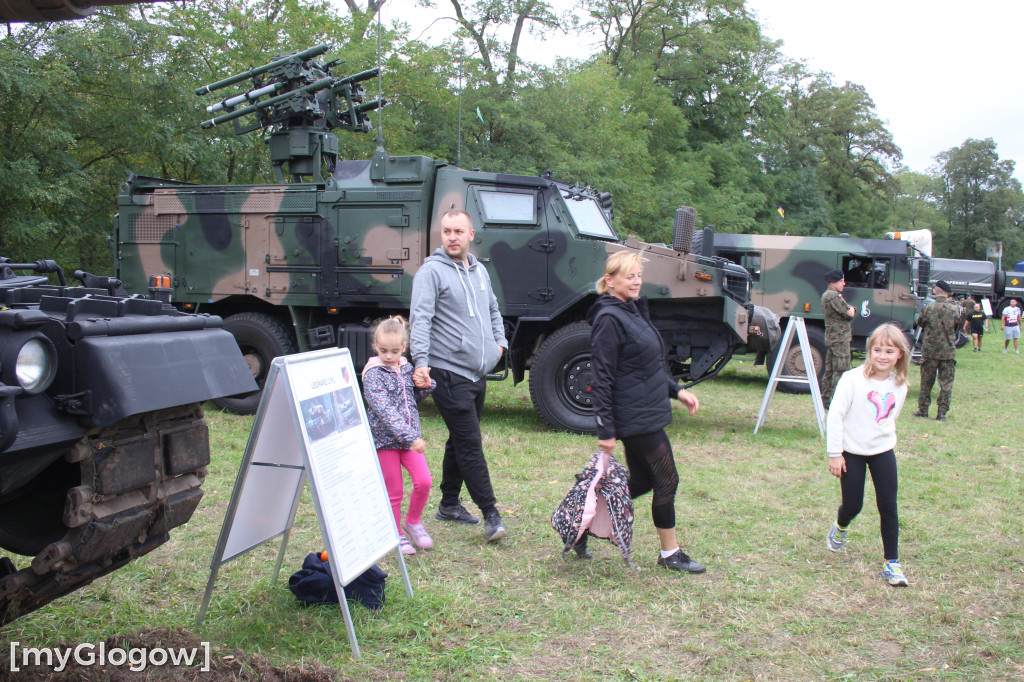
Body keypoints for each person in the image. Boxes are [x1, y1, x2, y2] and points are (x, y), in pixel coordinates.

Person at [587, 250, 705, 574]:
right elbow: (601, 377)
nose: (636, 281)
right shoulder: (609, 318)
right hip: (633, 417)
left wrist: (678, 391)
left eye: (639, 275)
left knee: (639, 481)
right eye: (629, 276)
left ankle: (582, 521)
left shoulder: (632, 310)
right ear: (609, 280)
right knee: (667, 480)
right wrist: (606, 430)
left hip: (646, 410)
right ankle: (670, 554)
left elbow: (648, 365)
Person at [410, 209, 509, 542]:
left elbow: (493, 309)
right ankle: (491, 514)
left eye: (458, 231)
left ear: (471, 235)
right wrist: (421, 361)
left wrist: (500, 345)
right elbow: (420, 319)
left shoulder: (480, 270)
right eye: (446, 231)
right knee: (470, 444)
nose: (452, 236)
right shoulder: (431, 273)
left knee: (459, 438)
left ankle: (449, 503)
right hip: (447, 372)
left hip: (477, 372)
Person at [825, 323, 911, 587]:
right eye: (877, 350)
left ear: (899, 355)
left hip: (882, 451)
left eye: (889, 351)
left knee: (888, 506)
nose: (882, 356)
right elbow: (836, 416)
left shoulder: (900, 385)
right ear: (869, 351)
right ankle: (840, 527)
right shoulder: (852, 379)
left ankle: (892, 562)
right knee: (853, 505)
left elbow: (889, 418)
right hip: (852, 453)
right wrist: (835, 453)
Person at [362, 316, 435, 555]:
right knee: (394, 491)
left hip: (408, 440)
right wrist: (411, 437)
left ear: (404, 348)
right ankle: (396, 534)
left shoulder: (405, 367)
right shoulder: (373, 375)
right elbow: (385, 411)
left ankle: (412, 522)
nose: (389, 356)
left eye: (394, 351)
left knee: (424, 481)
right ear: (375, 346)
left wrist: (425, 386)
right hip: (386, 442)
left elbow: (412, 401)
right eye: (383, 350)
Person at [913, 281, 963, 421]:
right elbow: (957, 326)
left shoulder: (929, 308)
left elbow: (920, 323)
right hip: (947, 352)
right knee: (946, 383)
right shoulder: (954, 309)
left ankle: (923, 410)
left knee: (926, 381)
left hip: (930, 351)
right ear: (947, 292)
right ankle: (941, 413)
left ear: (935, 291)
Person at [820, 269, 856, 407]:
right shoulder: (833, 296)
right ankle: (836, 400)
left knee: (830, 370)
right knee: (841, 370)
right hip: (839, 339)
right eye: (841, 281)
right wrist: (852, 310)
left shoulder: (829, 295)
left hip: (834, 338)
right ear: (832, 282)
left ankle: (827, 399)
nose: (844, 284)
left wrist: (851, 309)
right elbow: (848, 312)